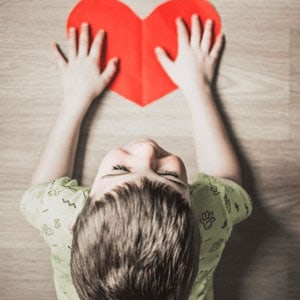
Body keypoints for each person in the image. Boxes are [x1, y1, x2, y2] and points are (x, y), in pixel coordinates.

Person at [20, 15, 253, 300]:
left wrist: (75, 99)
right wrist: (198, 87)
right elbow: (228, 182)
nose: (146, 149)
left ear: (76, 219)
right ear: (197, 217)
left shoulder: (59, 214)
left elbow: (41, 190)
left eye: (119, 169)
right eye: (169, 175)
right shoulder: (209, 217)